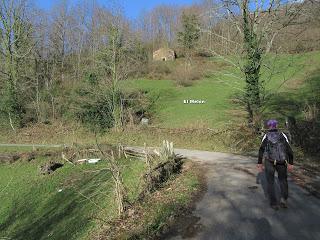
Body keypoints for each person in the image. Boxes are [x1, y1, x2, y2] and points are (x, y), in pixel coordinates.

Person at [257, 119, 294, 210]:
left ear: (269, 126)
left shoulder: (266, 135)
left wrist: (259, 163)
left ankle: (273, 203)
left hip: (269, 161)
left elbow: (261, 149)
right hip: (282, 162)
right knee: (283, 180)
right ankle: (284, 200)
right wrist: (291, 163)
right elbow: (289, 150)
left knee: (270, 182)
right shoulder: (283, 135)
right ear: (276, 125)